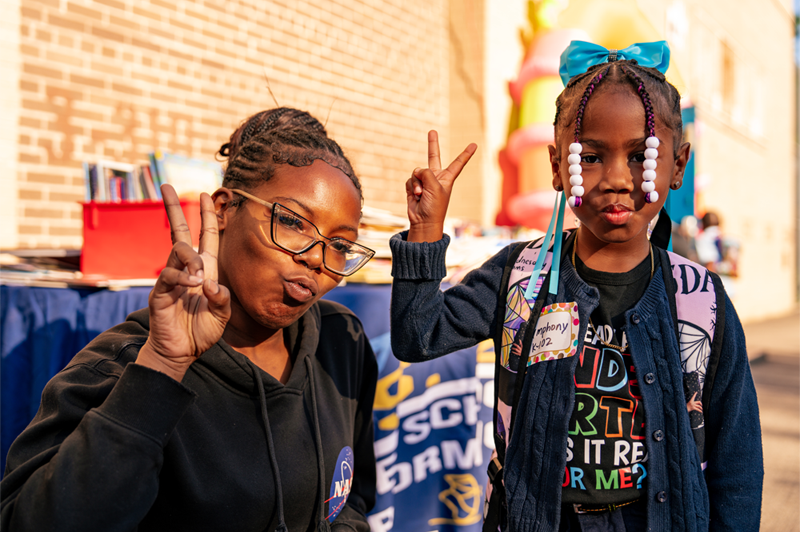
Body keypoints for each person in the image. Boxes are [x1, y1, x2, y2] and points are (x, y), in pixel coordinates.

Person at [389, 41, 762, 531]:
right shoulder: (520, 275)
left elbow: (737, 460)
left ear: (677, 165)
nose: (615, 179)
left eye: (640, 156)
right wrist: (424, 233)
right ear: (555, 166)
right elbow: (418, 335)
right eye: (589, 156)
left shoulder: (700, 298)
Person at [0, 108, 378, 531]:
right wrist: (162, 368)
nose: (316, 258)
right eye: (292, 222)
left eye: (341, 245)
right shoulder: (123, 366)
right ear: (222, 210)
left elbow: (351, 499)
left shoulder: (341, 340)